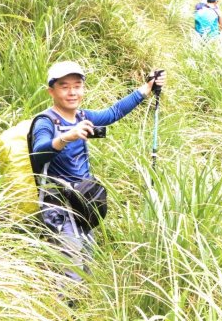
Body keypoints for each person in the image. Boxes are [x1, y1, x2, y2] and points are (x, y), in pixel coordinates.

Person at [30, 61, 166, 285]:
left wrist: (147, 88)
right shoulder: (45, 122)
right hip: (59, 205)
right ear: (51, 91)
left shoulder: (83, 116)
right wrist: (66, 137)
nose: (72, 92)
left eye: (77, 85)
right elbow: (38, 152)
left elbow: (113, 112)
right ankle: (66, 308)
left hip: (84, 201)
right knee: (71, 265)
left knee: (88, 260)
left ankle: (81, 306)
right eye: (64, 86)